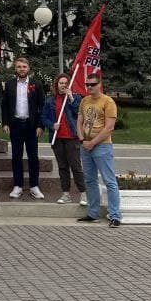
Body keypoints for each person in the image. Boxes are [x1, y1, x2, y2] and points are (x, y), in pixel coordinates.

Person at [77, 75, 121, 227]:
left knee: (109, 181)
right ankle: (92, 212)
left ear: (99, 84)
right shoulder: (84, 101)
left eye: (93, 84)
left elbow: (109, 127)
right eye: (87, 84)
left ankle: (115, 215)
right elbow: (79, 121)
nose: (89, 87)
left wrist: (93, 142)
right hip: (85, 146)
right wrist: (82, 140)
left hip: (102, 146)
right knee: (90, 180)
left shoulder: (108, 102)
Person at [3, 56, 46, 200]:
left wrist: (40, 125)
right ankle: (18, 185)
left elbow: (42, 107)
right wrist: (6, 123)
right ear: (15, 69)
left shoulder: (36, 84)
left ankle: (34, 185)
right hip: (15, 125)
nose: (21, 69)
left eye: (24, 67)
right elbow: (5, 105)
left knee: (33, 156)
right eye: (19, 67)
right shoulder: (9, 84)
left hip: (31, 126)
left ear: (28, 68)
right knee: (16, 156)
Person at [40, 73, 86, 204]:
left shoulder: (75, 97)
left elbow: (78, 112)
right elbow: (43, 117)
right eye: (61, 83)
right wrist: (51, 125)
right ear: (57, 84)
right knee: (63, 167)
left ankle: (83, 194)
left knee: (76, 166)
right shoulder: (50, 100)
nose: (63, 85)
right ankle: (66, 194)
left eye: (66, 83)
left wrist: (71, 96)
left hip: (72, 137)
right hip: (57, 138)